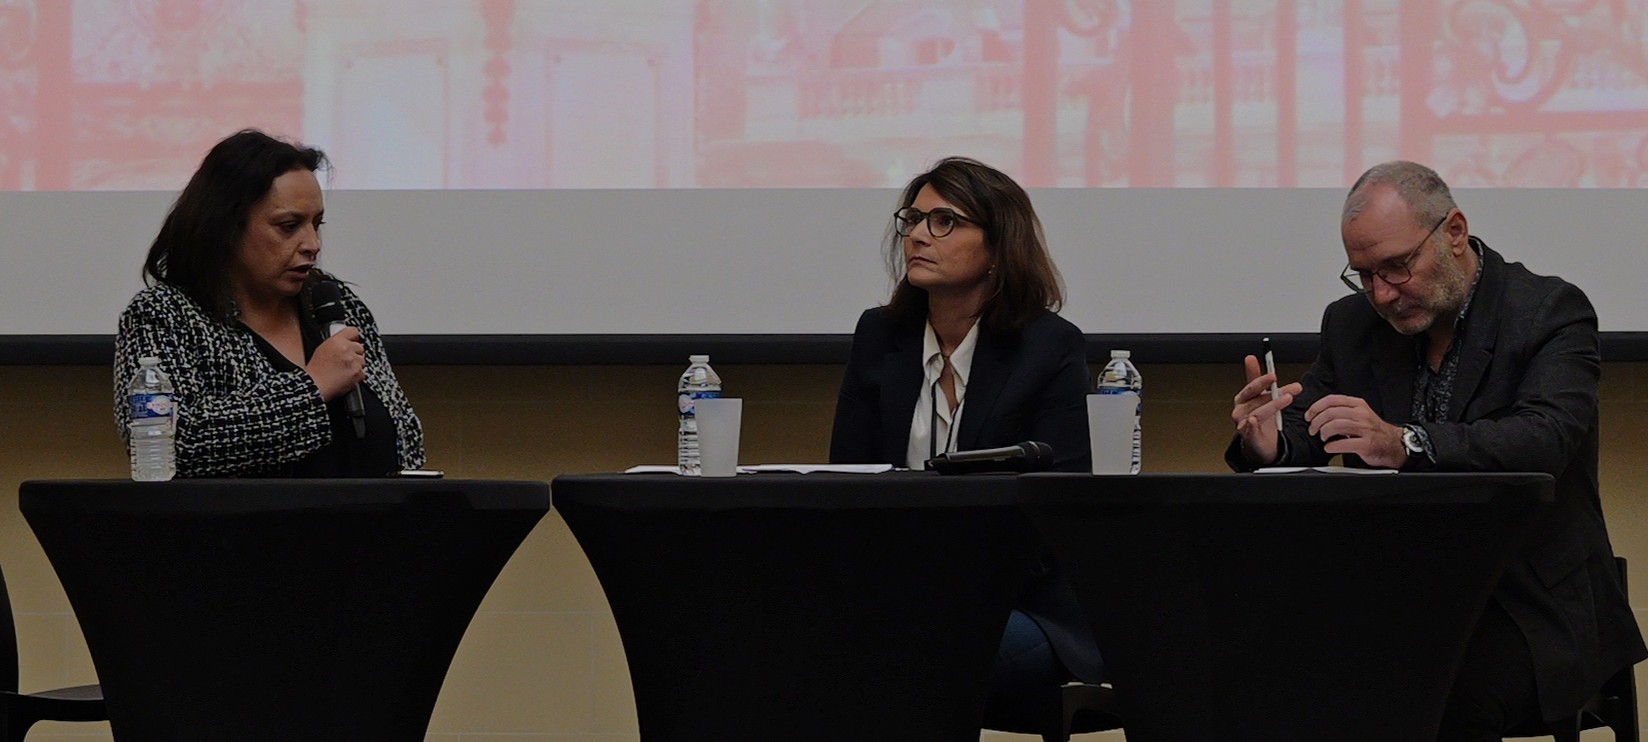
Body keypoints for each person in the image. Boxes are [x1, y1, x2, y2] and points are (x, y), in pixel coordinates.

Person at [1227, 160, 1644, 740]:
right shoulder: (1353, 324)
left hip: (1526, 604)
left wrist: (1406, 441)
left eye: (1397, 267)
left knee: (1430, 690)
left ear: (1454, 232)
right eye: (1364, 275)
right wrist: (1269, 441)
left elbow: (1545, 436)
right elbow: (1311, 420)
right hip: (1392, 597)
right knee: (1268, 668)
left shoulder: (1547, 312)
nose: (1382, 293)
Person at [828, 156, 1101, 726]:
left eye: (945, 221)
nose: (918, 236)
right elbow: (847, 485)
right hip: (898, 597)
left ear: (999, 246)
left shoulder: (1048, 347)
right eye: (913, 220)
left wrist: (942, 586)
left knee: (909, 652)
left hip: (1024, 604)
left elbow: (1061, 512)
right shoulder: (880, 336)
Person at [114, 129, 424, 477]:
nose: (313, 244)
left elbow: (404, 435)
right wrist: (313, 386)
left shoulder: (337, 304)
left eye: (316, 224)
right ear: (226, 227)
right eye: (289, 226)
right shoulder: (164, 315)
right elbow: (177, 445)